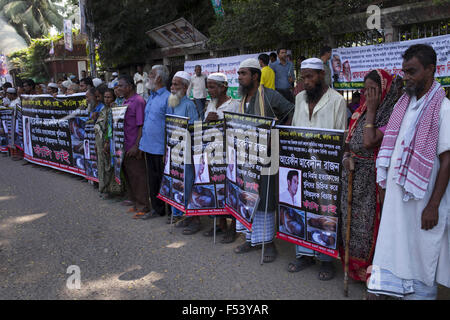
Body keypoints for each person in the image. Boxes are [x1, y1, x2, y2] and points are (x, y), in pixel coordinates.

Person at [367, 44, 450, 300]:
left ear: (430, 70)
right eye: (404, 72)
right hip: (397, 200)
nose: (406, 78)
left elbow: (447, 160)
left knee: (420, 253)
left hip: (423, 202)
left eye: (412, 71)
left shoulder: (444, 108)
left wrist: (433, 205)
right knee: (394, 247)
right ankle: (391, 291)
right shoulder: (403, 105)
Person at [340, 69, 403, 283]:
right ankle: (353, 268)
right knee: (351, 223)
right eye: (365, 90)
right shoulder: (359, 112)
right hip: (352, 175)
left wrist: (373, 111)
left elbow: (369, 141)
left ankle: (372, 273)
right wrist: (347, 157)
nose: (367, 95)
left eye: (372, 90)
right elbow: (348, 143)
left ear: (383, 90)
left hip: (373, 181)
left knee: (370, 228)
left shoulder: (391, 114)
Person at [288, 57, 347, 280]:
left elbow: (340, 137)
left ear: (322, 75)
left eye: (310, 77)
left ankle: (325, 259)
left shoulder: (337, 100)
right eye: (304, 77)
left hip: (325, 169)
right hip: (300, 164)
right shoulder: (300, 98)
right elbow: (294, 128)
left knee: (325, 211)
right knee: (300, 206)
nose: (306, 82)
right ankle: (303, 255)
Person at [233, 58, 294, 263]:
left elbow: (290, 112)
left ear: (255, 76)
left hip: (266, 159)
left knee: (265, 198)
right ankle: (250, 239)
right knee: (247, 196)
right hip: (245, 158)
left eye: (243, 74)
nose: (239, 77)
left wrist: (275, 136)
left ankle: (268, 242)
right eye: (239, 74)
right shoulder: (241, 100)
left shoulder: (270, 95)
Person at [167, 71, 200, 232]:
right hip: (174, 152)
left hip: (186, 153)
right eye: (172, 84)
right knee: (177, 184)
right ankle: (183, 215)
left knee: (188, 185)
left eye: (176, 85)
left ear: (185, 87)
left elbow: (194, 130)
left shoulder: (189, 105)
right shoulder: (172, 102)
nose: (172, 88)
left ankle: (194, 219)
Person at [137, 65, 171, 220]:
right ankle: (157, 209)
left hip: (160, 147)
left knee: (164, 179)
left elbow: (171, 126)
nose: (148, 77)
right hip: (149, 145)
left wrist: (167, 148)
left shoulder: (168, 98)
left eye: (151, 75)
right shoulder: (151, 96)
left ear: (158, 78)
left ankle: (170, 210)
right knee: (152, 179)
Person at [117, 75, 150, 219]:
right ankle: (136, 203)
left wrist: (137, 146)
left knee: (138, 177)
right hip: (124, 146)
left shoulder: (138, 101)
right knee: (130, 176)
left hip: (133, 147)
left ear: (129, 87)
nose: (118, 89)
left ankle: (143, 206)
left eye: (121, 86)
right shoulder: (125, 101)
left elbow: (141, 125)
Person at [95, 88, 123, 200]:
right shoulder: (103, 109)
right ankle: (104, 188)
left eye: (109, 97)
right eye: (105, 97)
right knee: (103, 165)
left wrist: (107, 141)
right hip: (101, 143)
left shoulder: (113, 109)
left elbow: (111, 128)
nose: (106, 99)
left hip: (111, 142)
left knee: (110, 166)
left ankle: (114, 190)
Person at [6, 87, 22, 161]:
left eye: (8, 94)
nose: (7, 96)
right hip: (13, 122)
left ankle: (21, 154)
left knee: (19, 137)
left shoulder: (17, 101)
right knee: (15, 137)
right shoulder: (12, 101)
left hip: (18, 121)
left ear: (12, 94)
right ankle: (17, 154)